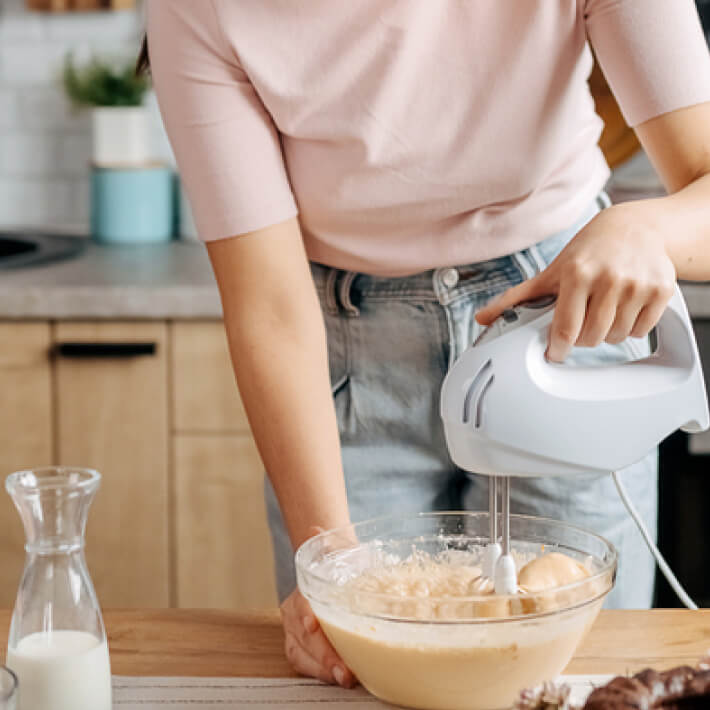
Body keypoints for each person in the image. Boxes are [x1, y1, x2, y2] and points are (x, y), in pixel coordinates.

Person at [144, 1, 710, 687]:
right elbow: (268, 304)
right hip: (343, 358)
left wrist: (648, 231)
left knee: (583, 682)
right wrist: (329, 555)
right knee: (360, 666)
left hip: (560, 317)